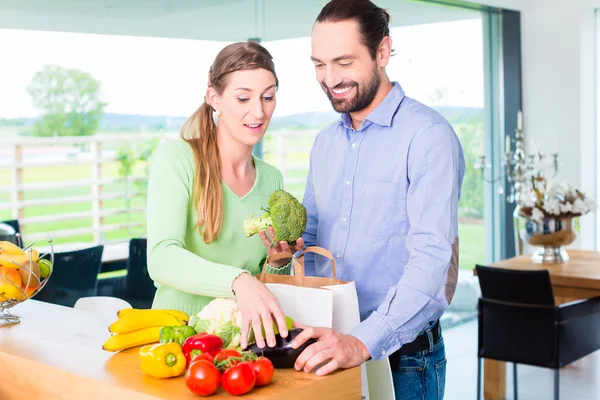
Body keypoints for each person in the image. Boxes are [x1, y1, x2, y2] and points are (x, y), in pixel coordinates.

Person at [261, 1, 465, 398]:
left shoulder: (427, 137)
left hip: (404, 360)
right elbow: (314, 235)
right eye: (319, 64)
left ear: (383, 52)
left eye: (343, 62)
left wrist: (360, 341)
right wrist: (291, 251)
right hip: (327, 348)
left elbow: (431, 261)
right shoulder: (325, 143)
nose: (329, 78)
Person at [146, 41, 291, 350]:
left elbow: (262, 280)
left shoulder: (272, 178)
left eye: (268, 96)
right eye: (243, 98)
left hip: (240, 346)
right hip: (175, 338)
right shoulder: (178, 158)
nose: (259, 111)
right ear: (215, 98)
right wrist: (238, 281)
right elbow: (161, 258)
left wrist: (279, 261)